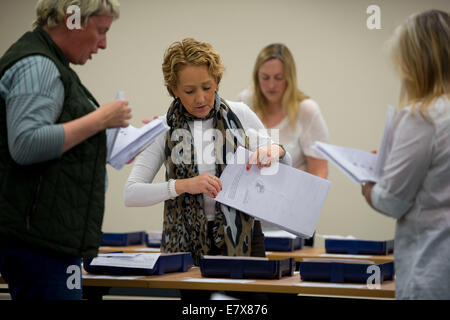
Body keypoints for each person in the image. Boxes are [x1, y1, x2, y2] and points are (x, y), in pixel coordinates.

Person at [0, 0, 131, 300]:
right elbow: (25, 144)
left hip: (43, 235)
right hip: (37, 240)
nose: (104, 44)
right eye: (101, 31)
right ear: (74, 21)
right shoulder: (40, 65)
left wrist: (115, 145)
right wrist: (100, 119)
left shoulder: (50, 63)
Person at [124, 38, 291, 271]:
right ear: (174, 89)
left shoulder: (240, 114)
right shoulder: (163, 128)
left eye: (207, 87)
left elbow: (285, 168)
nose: (200, 99)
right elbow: (131, 194)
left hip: (244, 237)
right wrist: (183, 186)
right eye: (189, 91)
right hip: (186, 243)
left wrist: (276, 150)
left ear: (217, 81)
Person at [361, 9, 450, 300]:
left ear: (414, 62)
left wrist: (368, 183)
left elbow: (392, 201)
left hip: (432, 268)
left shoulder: (423, 116)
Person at [237, 43, 328, 245]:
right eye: (265, 78)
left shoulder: (306, 110)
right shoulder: (246, 102)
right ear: (256, 77)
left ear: (290, 78)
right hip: (250, 217)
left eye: (278, 78)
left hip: (291, 218)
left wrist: (298, 208)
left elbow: (319, 172)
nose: (271, 85)